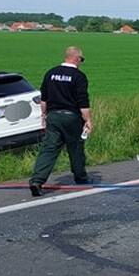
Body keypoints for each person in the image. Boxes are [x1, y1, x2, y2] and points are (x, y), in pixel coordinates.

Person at [30, 46, 92, 196]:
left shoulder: (50, 73)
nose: (81, 62)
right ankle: (80, 177)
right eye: (81, 59)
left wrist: (44, 115)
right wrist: (88, 120)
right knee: (75, 147)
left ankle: (37, 181)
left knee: (49, 148)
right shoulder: (79, 76)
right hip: (71, 117)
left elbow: (43, 99)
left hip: (53, 116)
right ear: (76, 58)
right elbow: (83, 102)